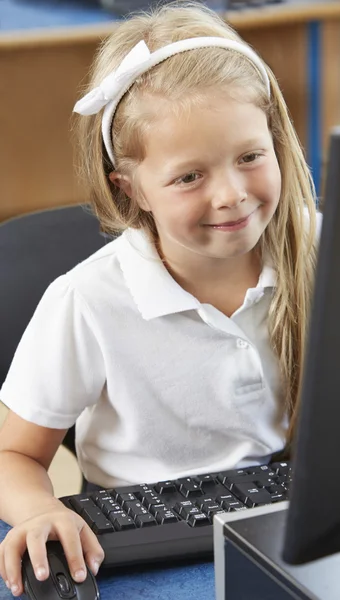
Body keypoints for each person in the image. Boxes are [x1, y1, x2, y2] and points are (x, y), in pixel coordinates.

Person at [0, 1, 320, 596]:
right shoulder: (86, 301)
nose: (231, 195)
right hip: (141, 550)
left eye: (250, 156)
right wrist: (39, 512)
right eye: (188, 176)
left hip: (285, 520)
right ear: (131, 188)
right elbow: (13, 456)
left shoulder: (321, 246)